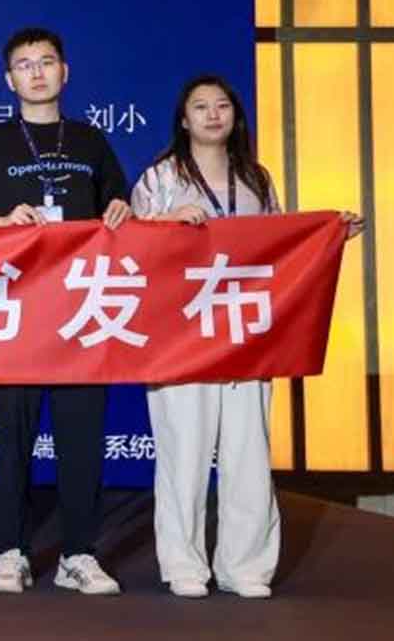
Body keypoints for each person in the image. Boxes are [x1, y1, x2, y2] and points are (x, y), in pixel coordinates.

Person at [131, 74, 364, 600]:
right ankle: (185, 565)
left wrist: (329, 238)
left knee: (248, 452)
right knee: (183, 455)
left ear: (235, 116)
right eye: (200, 106)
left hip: (245, 334)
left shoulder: (256, 178)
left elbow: (282, 249)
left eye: (222, 106)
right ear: (183, 120)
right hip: (181, 338)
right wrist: (166, 221)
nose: (213, 114)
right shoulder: (159, 178)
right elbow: (130, 252)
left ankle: (246, 567)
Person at [0, 26, 131, 597]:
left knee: (81, 440)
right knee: (12, 440)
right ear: (10, 79)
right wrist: (1, 223)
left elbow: (121, 209)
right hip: (14, 314)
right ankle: (11, 553)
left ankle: (80, 554)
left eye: (47, 62)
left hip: (80, 315)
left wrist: (121, 209)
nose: (38, 73)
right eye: (25, 65)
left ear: (64, 72)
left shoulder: (91, 142)